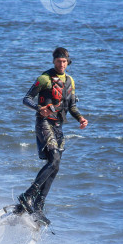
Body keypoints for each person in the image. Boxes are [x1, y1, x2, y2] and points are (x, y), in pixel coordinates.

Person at [17, 47, 88, 224]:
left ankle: (38, 207)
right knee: (54, 160)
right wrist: (38, 108)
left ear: (68, 62)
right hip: (44, 123)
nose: (61, 64)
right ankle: (28, 196)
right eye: (58, 61)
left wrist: (80, 118)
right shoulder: (44, 78)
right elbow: (26, 99)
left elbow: (71, 107)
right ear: (53, 61)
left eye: (64, 62)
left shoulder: (70, 81)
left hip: (58, 127)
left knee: (55, 166)